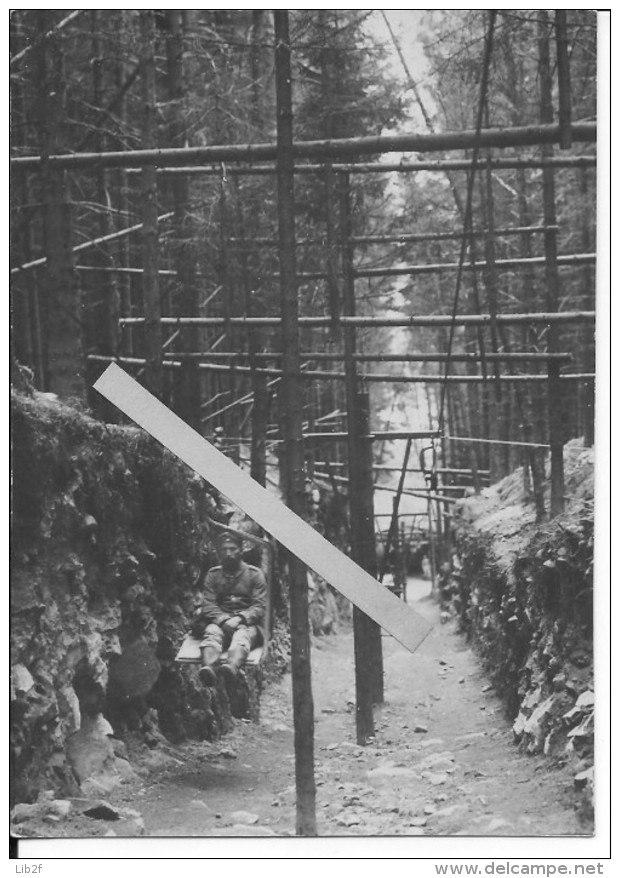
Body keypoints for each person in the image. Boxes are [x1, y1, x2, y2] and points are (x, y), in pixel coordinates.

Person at [190, 530, 267, 689]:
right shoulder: (213, 575)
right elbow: (208, 604)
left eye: (232, 549)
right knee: (211, 631)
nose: (228, 553)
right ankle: (209, 669)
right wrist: (224, 620)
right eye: (224, 550)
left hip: (247, 624)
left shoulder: (254, 574)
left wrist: (240, 619)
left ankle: (231, 668)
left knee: (242, 636)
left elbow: (259, 606)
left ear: (241, 550)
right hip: (221, 622)